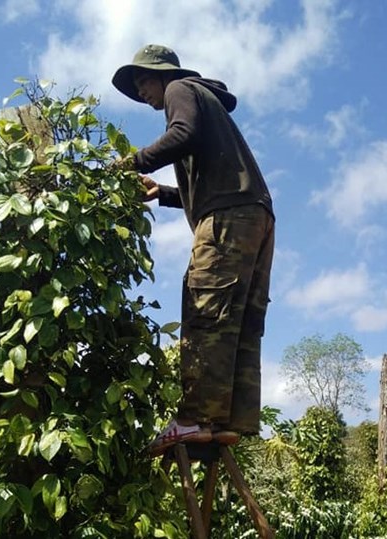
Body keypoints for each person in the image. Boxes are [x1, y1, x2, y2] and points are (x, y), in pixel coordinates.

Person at [112, 45, 275, 456]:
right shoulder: (206, 102)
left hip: (226, 218)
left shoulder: (180, 89)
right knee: (238, 319)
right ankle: (227, 420)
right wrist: (163, 194)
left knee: (206, 309)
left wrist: (130, 165)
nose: (142, 93)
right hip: (254, 215)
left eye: (143, 81)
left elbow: (182, 135)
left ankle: (192, 419)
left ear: (161, 74)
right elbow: (205, 173)